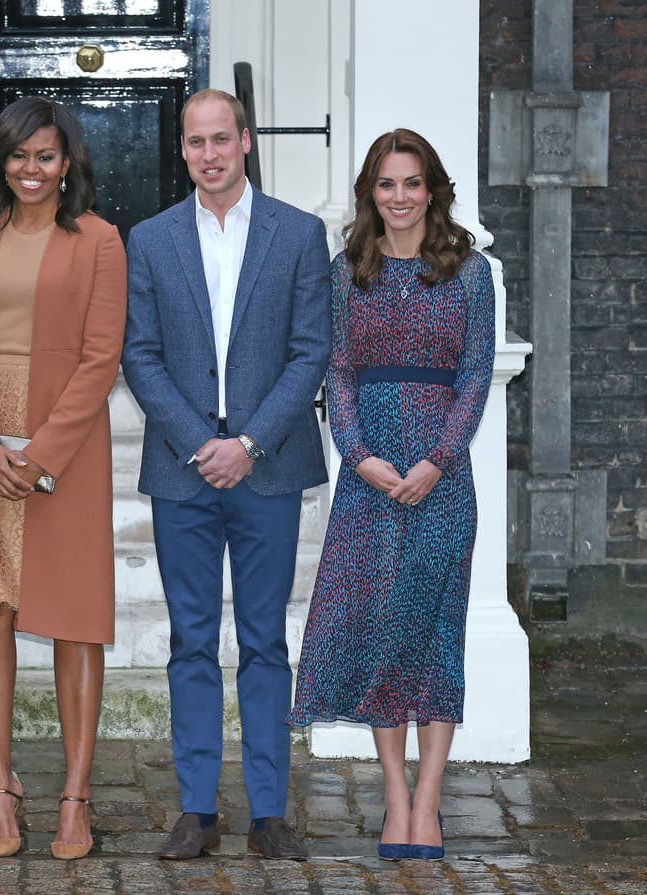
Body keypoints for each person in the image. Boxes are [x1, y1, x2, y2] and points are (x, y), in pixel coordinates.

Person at [121, 89, 330, 861]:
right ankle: (198, 808)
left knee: (266, 641)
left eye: (220, 139)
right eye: (195, 142)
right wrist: (196, 441)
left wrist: (248, 442)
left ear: (244, 140)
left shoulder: (298, 233)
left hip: (267, 468)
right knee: (192, 641)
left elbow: (310, 351)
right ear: (182, 150)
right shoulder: (150, 238)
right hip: (184, 472)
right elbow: (139, 354)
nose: (208, 154)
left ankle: (269, 810)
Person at [0, 96, 126, 860]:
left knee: (75, 616)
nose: (30, 169)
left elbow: (102, 357)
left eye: (44, 156)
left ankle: (75, 794)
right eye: (17, 155)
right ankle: (1, 789)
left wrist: (40, 452)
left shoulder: (100, 239)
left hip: (64, 445)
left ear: (67, 162)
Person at [287, 129, 495, 862]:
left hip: (444, 481)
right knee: (380, 633)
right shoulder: (349, 271)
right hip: (369, 481)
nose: (399, 197)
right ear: (370, 194)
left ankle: (429, 802)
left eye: (411, 183)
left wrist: (438, 459)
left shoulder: (469, 272)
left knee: (434, 636)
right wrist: (359, 455)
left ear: (431, 189)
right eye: (386, 184)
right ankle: (396, 798)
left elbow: (476, 374)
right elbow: (338, 372)